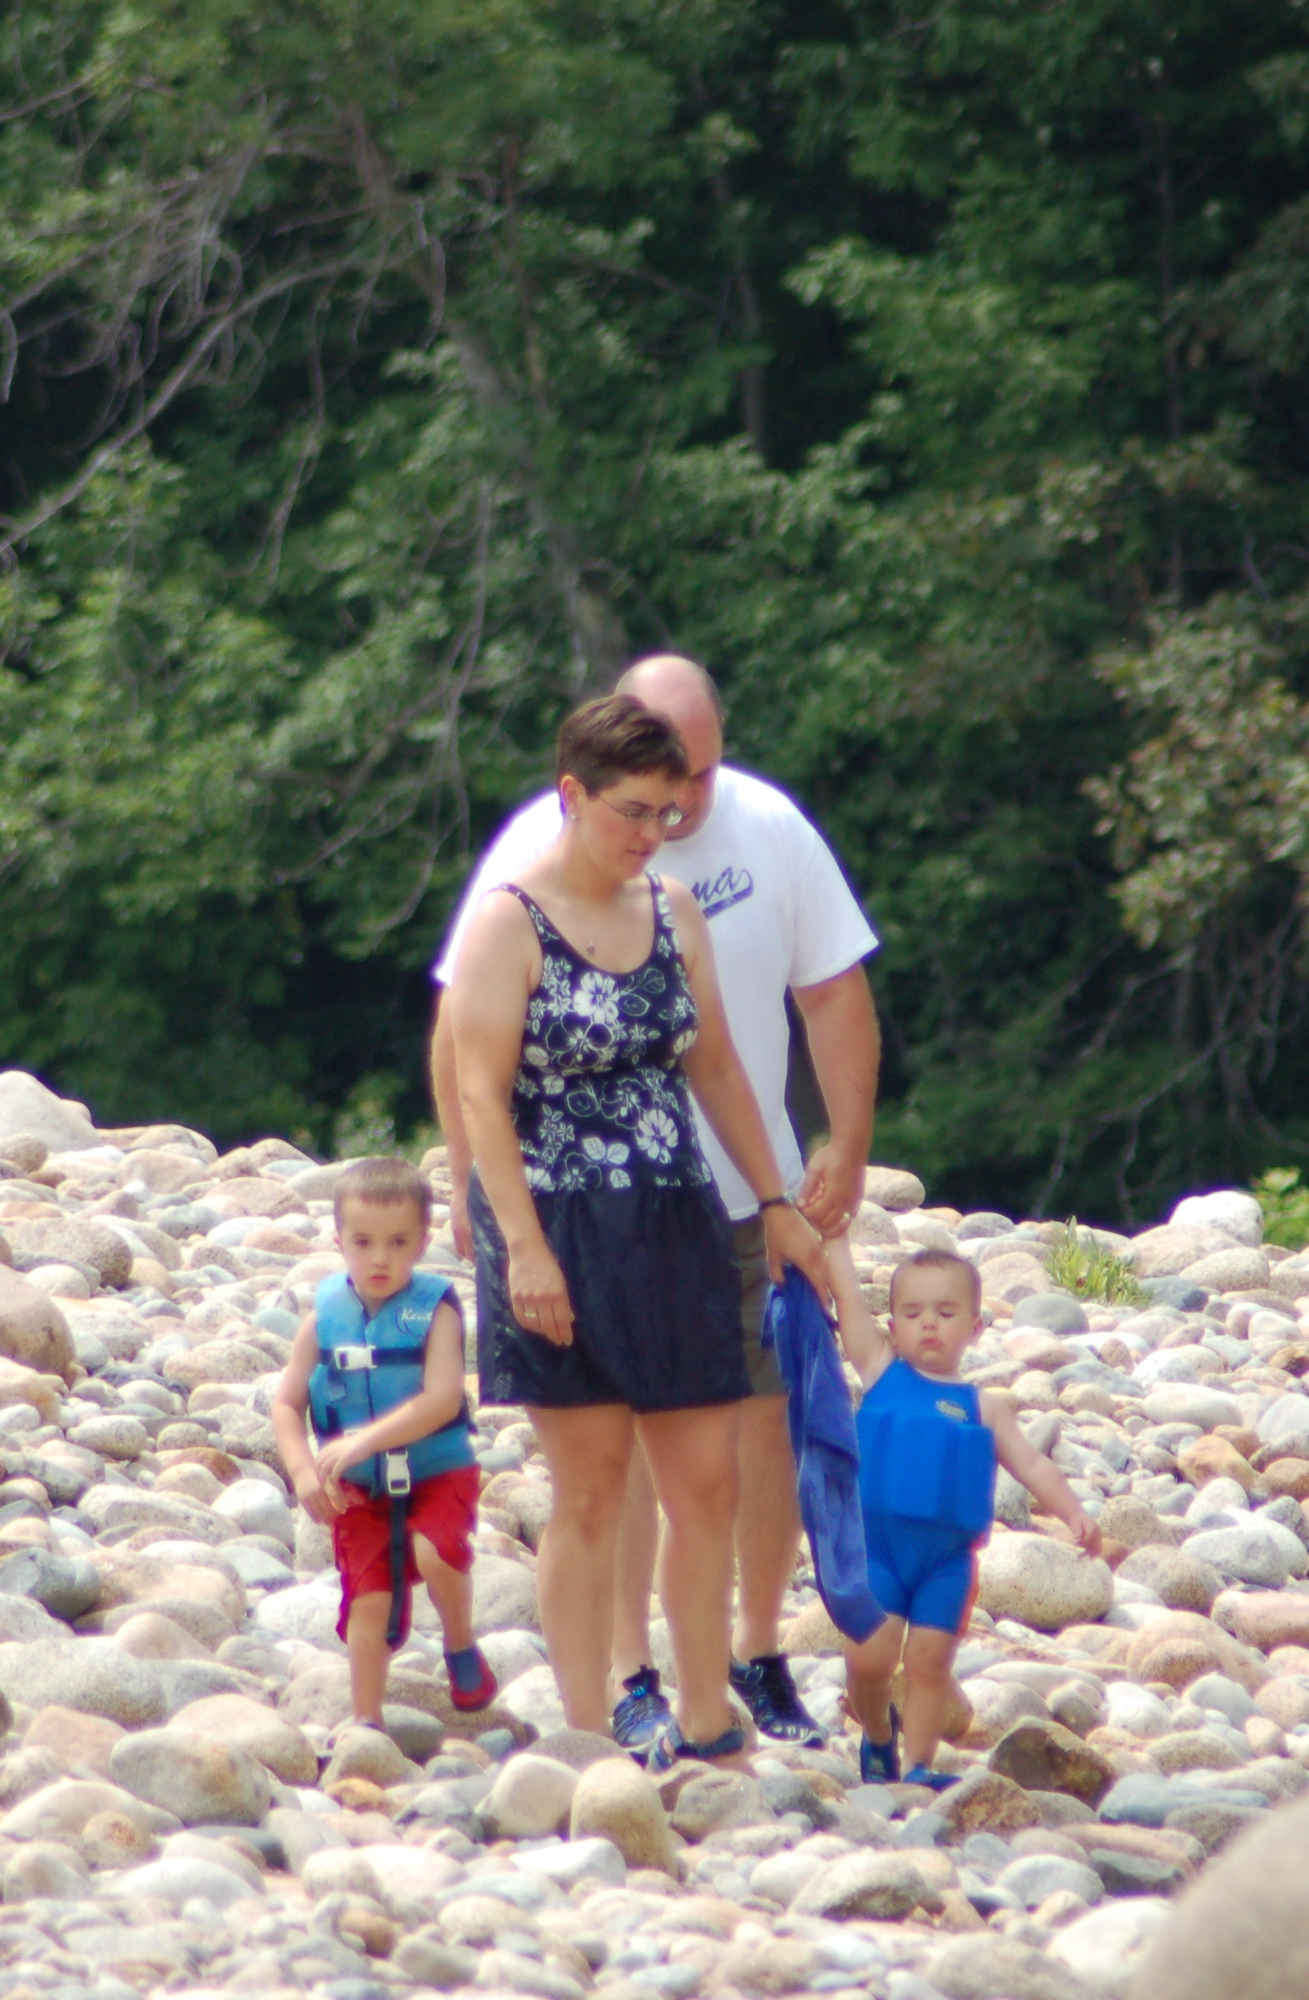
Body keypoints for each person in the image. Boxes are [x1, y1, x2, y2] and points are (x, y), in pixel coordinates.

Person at [430, 654, 878, 1758]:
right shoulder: (508, 920)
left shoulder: (673, 909)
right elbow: (478, 1090)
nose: (653, 831)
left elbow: (716, 1064)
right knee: (590, 1488)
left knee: (706, 1479)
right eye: (631, 811)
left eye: (667, 811)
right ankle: (591, 1724)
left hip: (678, 1212)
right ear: (572, 795)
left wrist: (773, 1196)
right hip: (561, 1225)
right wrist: (519, 1246)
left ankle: (710, 1713)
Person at [829, 1243, 1098, 1786]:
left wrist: (1072, 1512)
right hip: (878, 1549)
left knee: (929, 1664)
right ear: (893, 1327)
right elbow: (850, 1302)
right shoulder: (881, 1371)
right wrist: (834, 1241)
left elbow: (1031, 1463)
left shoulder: (985, 1408)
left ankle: (918, 1765)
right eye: (913, 1313)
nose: (928, 1324)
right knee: (868, 1663)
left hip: (947, 1562)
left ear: (975, 1328)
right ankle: (877, 1731)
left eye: (945, 1312)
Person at [272, 1157, 499, 1726]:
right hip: (360, 1490)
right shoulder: (324, 1319)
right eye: (363, 1242)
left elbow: (442, 1398)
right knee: (368, 1601)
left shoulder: (437, 1313)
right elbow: (287, 1404)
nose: (380, 1258)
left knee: (433, 1550)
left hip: (436, 1474)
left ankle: (459, 1643)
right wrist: (302, 1473)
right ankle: (366, 1723)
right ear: (339, 1241)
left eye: (398, 1242)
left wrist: (366, 1441)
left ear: (422, 1242)